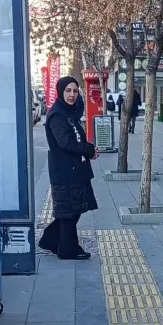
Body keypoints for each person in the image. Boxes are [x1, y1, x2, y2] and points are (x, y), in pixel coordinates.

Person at [38, 76, 99, 260]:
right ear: (60, 92)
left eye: (75, 91)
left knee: (73, 210)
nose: (72, 95)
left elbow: (75, 135)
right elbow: (66, 142)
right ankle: (68, 249)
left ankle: (51, 240)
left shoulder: (68, 112)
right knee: (68, 212)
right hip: (65, 170)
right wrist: (89, 150)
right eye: (68, 91)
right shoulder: (57, 114)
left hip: (74, 169)